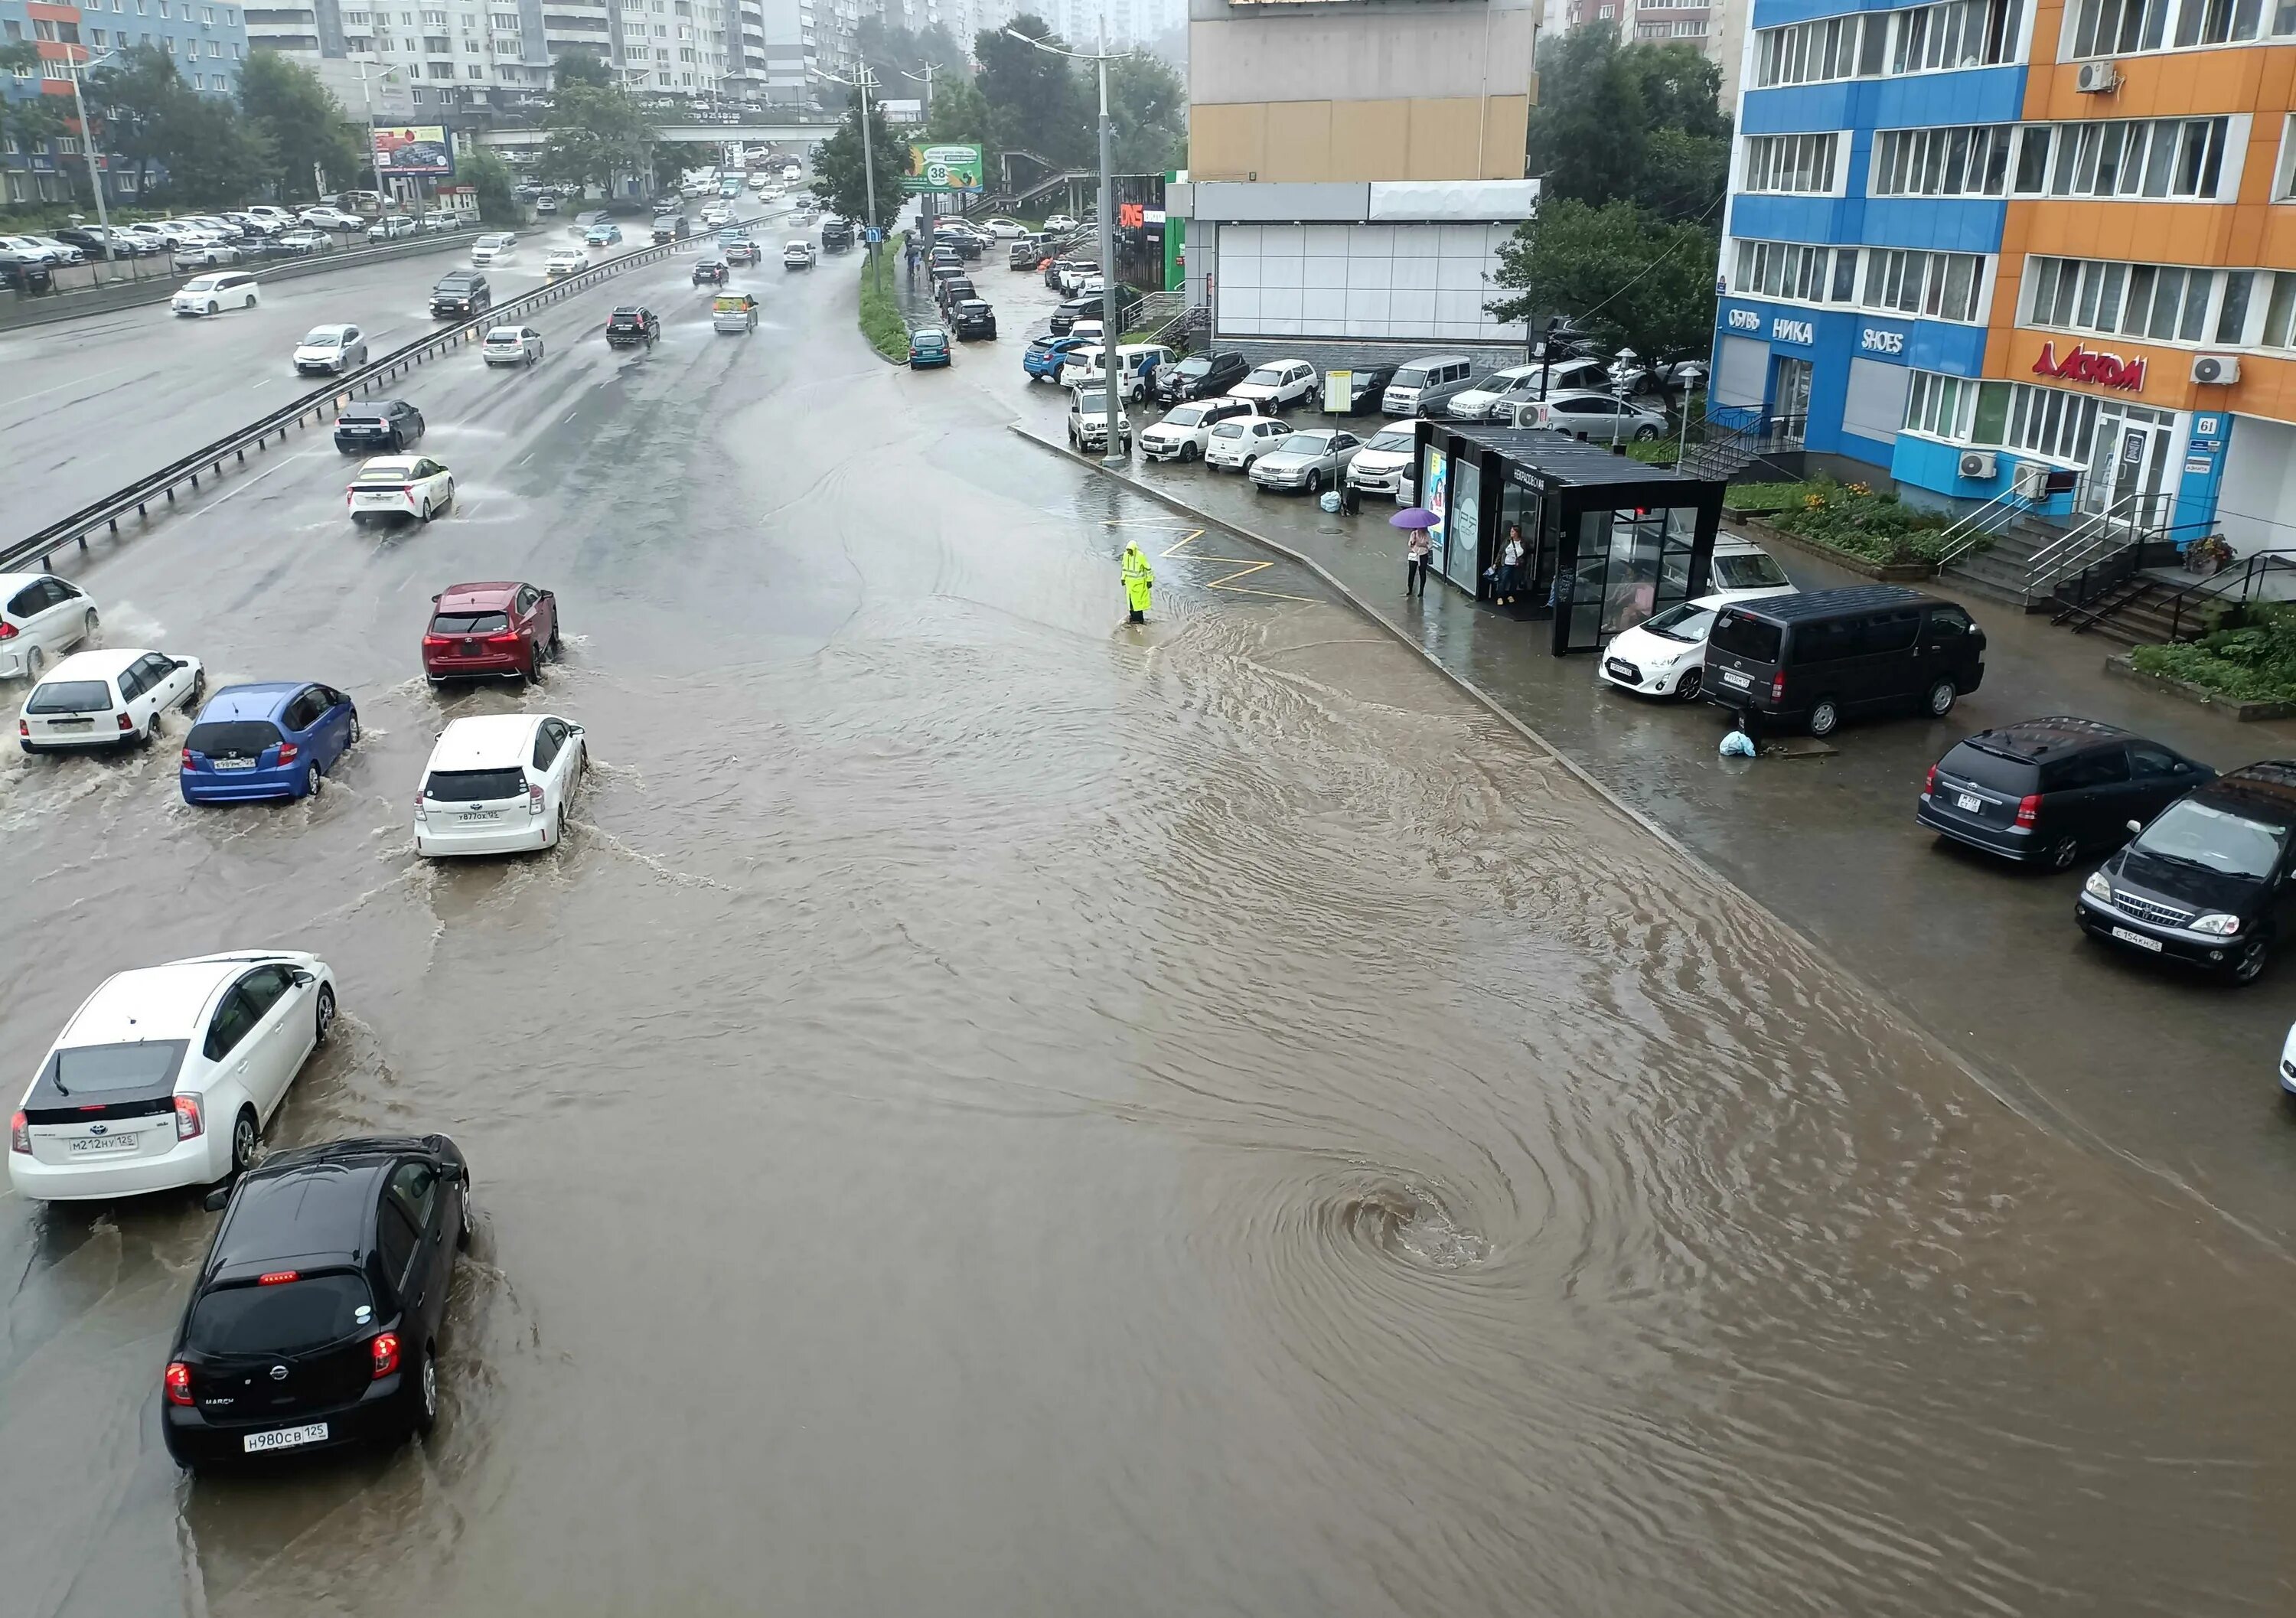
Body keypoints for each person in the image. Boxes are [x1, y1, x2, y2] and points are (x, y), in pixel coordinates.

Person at [1122, 540, 1154, 624]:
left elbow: (1148, 569)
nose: (1128, 552)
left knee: (1139, 604)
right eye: (1128, 550)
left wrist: (1149, 580)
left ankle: (1139, 620)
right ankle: (1133, 618)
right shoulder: (1126, 556)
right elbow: (1124, 568)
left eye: (1130, 550)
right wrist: (1123, 578)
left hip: (1139, 585)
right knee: (1131, 604)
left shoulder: (1140, 556)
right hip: (1129, 585)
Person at [1496, 524, 1525, 606]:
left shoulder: (1522, 542)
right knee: (1503, 580)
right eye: (1511, 531)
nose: (1511, 533)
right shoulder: (1507, 541)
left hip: (1517, 565)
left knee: (1515, 580)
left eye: (1513, 531)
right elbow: (1501, 552)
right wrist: (1496, 563)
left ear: (1517, 533)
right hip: (1507, 563)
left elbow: (1524, 554)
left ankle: (1511, 595)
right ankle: (1500, 597)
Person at [1404, 526, 1432, 598]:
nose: (1420, 530)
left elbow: (1430, 546)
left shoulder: (1427, 535)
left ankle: (1421, 591)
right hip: (1414, 555)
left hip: (1423, 555)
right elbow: (1410, 545)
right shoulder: (1414, 534)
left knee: (1422, 573)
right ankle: (1410, 589)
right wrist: (1412, 542)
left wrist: (1423, 545)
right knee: (1411, 572)